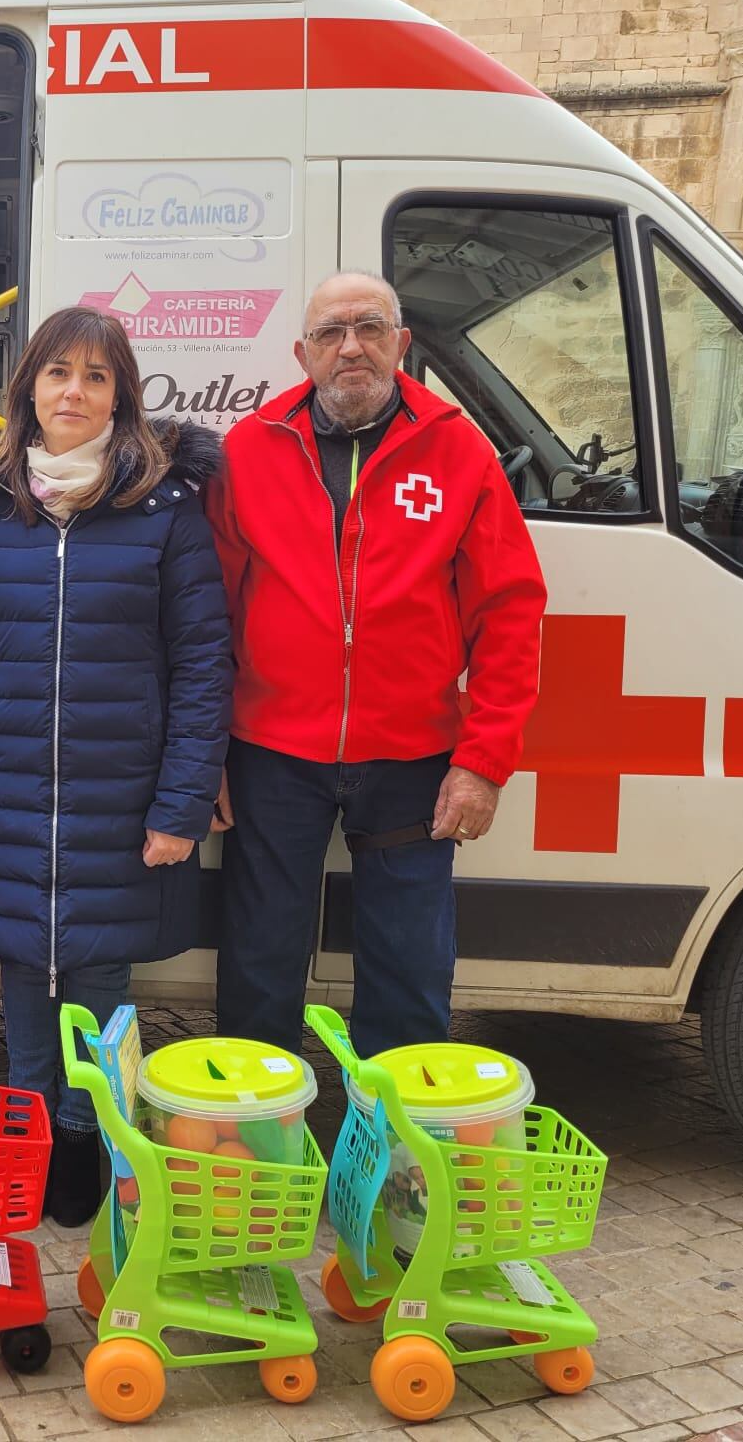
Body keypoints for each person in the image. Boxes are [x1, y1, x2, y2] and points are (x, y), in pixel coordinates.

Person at [0, 307, 231, 1227]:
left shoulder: (165, 512)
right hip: (6, 790)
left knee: (98, 976)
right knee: (19, 971)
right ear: (29, 390)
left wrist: (179, 805)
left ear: (121, 396)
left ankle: (88, 1142)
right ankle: (26, 1141)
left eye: (96, 377)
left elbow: (204, 664)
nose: (74, 393)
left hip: (119, 797)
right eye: (58, 373)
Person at [207, 271, 547, 1061]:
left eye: (368, 328)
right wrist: (204, 757)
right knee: (257, 966)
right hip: (270, 752)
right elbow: (208, 615)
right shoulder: (249, 450)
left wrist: (484, 761)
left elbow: (510, 610)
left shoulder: (459, 449)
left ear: (402, 344)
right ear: (302, 354)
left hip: (413, 756)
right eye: (329, 333)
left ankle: (399, 1170)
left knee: (408, 974)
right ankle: (255, 1148)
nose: (350, 347)